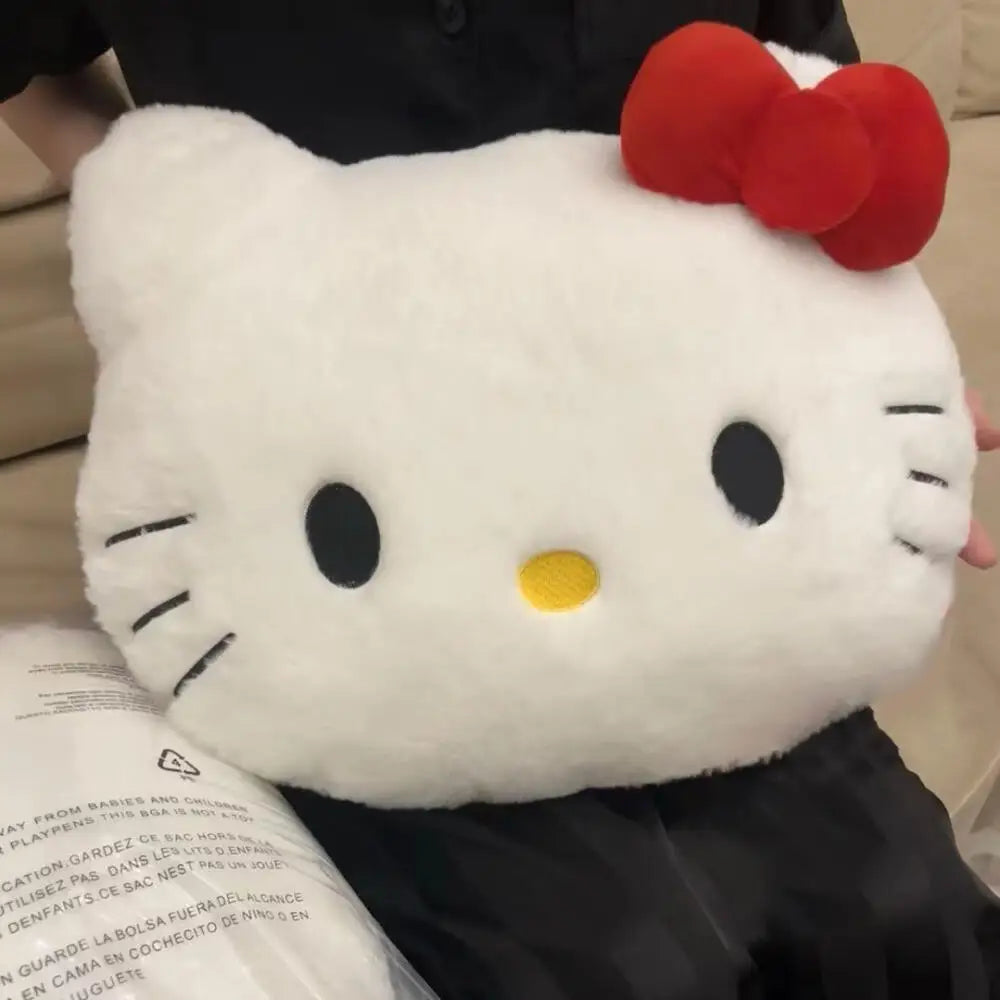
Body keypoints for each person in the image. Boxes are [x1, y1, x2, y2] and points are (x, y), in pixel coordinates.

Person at [2, 0, 997, 564]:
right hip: (341, 519)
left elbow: (812, 110)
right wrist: (150, 198)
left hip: (709, 501)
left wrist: (878, 365)